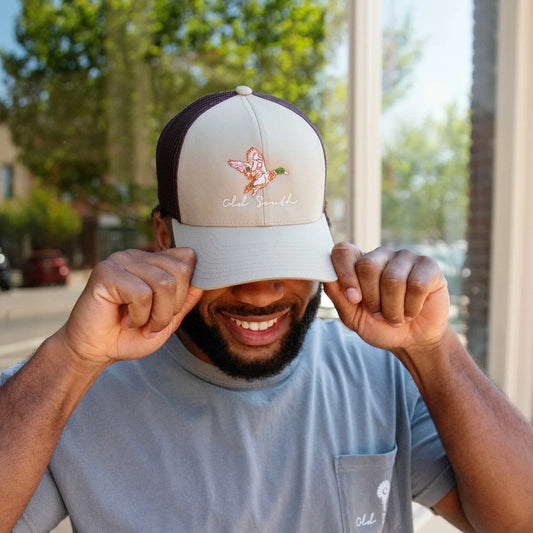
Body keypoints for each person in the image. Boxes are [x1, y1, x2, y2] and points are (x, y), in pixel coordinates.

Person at [1, 85, 532, 533]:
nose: (260, 292)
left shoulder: (383, 373)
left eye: (285, 254)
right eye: (228, 259)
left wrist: (434, 349)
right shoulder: (65, 393)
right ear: (163, 237)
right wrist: (71, 356)